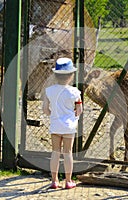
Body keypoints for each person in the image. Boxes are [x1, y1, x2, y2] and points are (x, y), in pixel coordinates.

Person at [42, 57, 83, 189]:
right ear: (71, 76)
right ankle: (68, 180)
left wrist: (52, 115)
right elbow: (79, 109)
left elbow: (45, 109)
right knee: (67, 152)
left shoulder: (49, 91)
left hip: (55, 125)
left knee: (55, 152)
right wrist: (74, 117)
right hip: (69, 126)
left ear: (55, 75)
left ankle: (54, 180)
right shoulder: (75, 92)